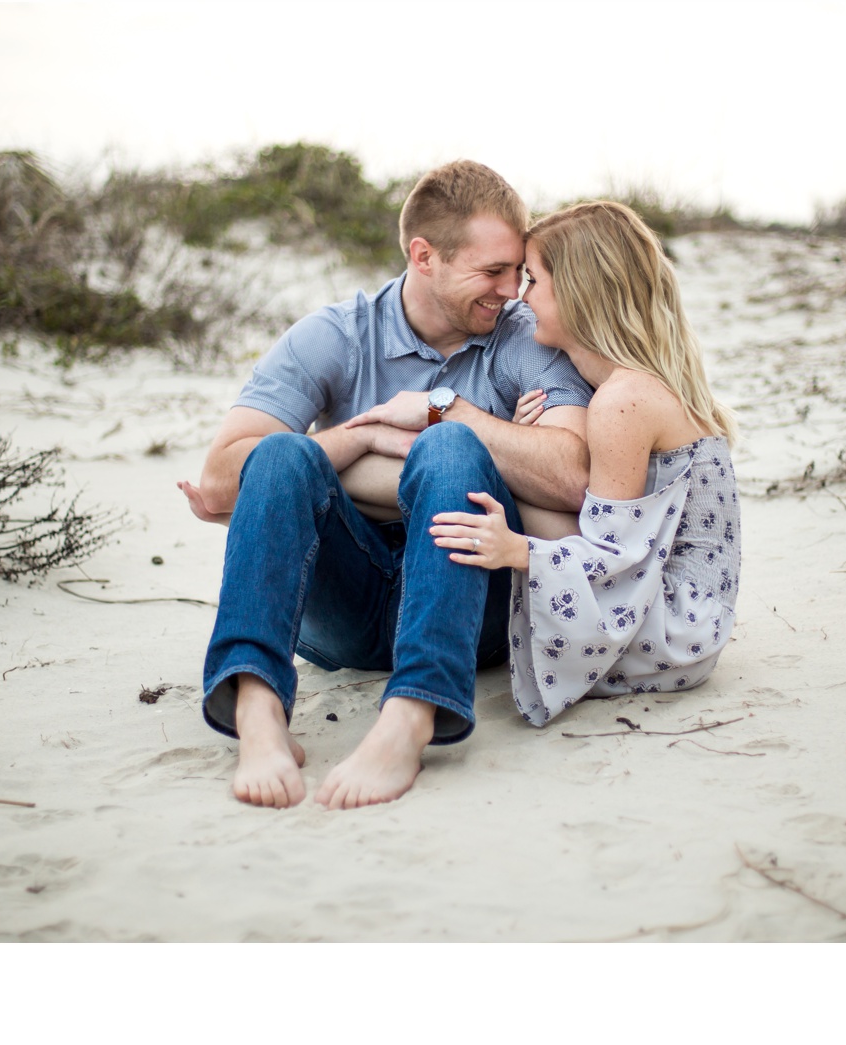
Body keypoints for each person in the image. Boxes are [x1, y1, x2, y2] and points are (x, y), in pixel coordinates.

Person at [179, 160, 596, 810]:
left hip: (472, 610)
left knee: (451, 446)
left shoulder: (524, 338)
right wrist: (361, 437)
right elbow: (223, 475)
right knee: (285, 455)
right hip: (343, 606)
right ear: (423, 255)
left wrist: (443, 413)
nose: (512, 289)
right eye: (492, 272)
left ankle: (413, 711)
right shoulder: (337, 335)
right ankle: (258, 710)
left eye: (518, 270)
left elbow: (573, 476)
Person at [428, 200, 741, 726]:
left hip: (673, 634)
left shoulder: (622, 402)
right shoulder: (632, 386)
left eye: (533, 279)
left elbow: (614, 559)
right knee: (522, 469)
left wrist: (517, 549)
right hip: (697, 625)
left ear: (577, 293)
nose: (519, 298)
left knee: (518, 482)